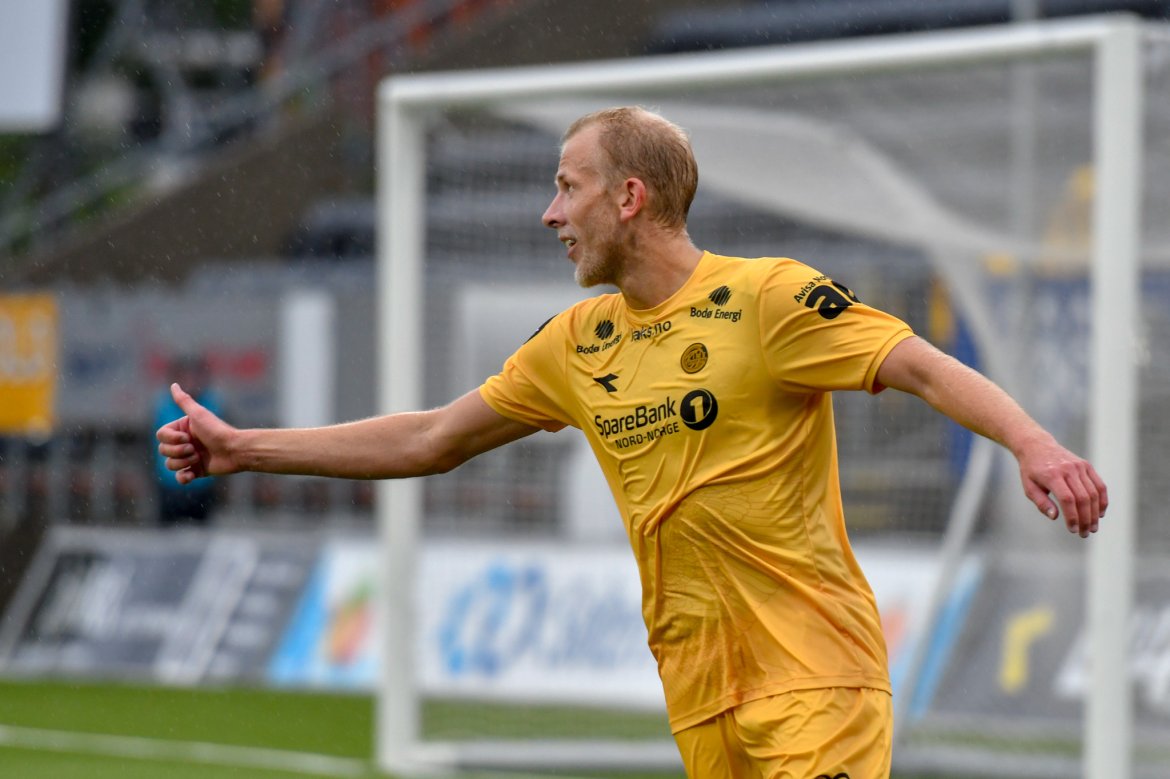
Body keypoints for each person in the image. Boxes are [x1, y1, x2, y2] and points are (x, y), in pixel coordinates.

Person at [158, 106, 1107, 778]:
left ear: (629, 198)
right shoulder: (577, 343)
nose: (548, 213)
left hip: (815, 673)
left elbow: (923, 365)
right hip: (700, 688)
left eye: (567, 187)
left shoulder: (768, 296)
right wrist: (247, 448)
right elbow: (434, 436)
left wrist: (1034, 444)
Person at [152, 355, 223, 527]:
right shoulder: (161, 408)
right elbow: (149, 448)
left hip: (203, 487)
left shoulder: (214, 406)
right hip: (169, 486)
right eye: (184, 377)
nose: (190, 382)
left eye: (194, 377)